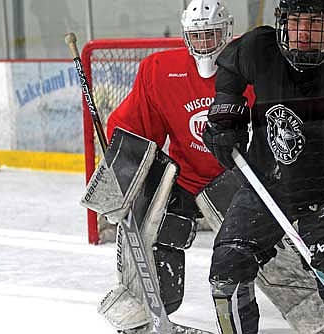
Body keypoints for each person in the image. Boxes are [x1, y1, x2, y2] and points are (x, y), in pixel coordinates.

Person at [202, 0, 324, 333]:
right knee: (226, 270)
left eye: (315, 23)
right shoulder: (259, 48)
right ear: (282, 22)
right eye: (297, 21)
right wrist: (226, 112)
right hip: (267, 182)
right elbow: (230, 66)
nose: (304, 33)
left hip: (323, 192)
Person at [104, 0, 254, 330]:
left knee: (252, 248)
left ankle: (312, 309)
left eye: (212, 34)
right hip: (185, 180)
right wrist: (120, 170)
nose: (205, 44)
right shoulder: (161, 71)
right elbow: (133, 127)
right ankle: (145, 311)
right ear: (186, 37)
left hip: (236, 182)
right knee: (150, 233)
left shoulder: (251, 69)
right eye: (197, 36)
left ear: (226, 32)